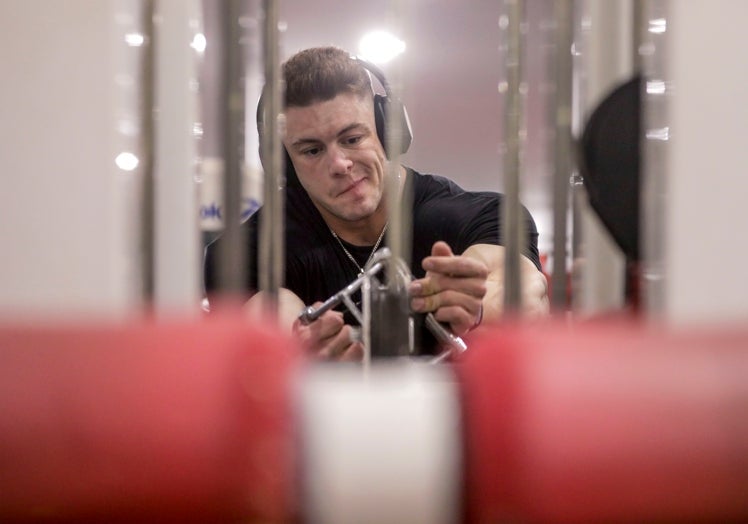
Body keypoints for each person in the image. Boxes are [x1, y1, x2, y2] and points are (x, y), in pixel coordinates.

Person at [204, 46, 548, 361]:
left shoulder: (478, 216)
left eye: (352, 138)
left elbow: (524, 294)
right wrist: (295, 345)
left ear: (386, 131)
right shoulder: (247, 249)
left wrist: (477, 307)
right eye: (311, 150)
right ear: (284, 162)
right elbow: (266, 315)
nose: (339, 164)